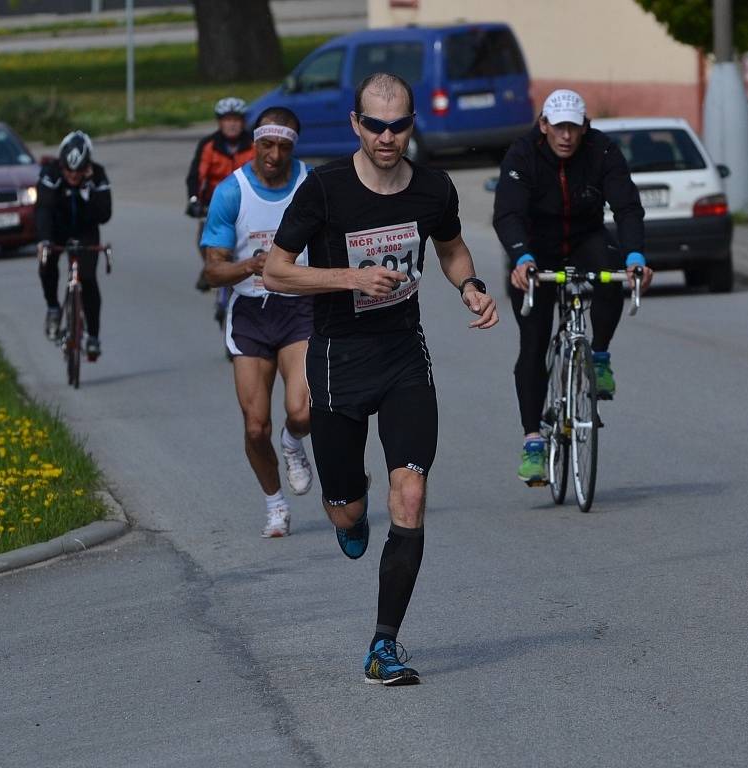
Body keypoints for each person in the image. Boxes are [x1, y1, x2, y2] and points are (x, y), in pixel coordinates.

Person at [264, 73, 498, 686]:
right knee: (348, 513)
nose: (386, 136)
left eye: (397, 125)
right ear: (354, 125)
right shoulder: (325, 188)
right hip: (339, 357)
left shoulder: (432, 188)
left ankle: (384, 644)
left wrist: (470, 286)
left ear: (411, 124)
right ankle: (346, 504)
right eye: (374, 125)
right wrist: (350, 279)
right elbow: (275, 271)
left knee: (412, 494)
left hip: (401, 355)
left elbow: (451, 249)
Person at [493, 88, 653, 485]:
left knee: (611, 269)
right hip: (536, 247)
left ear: (585, 127)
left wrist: (636, 256)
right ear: (544, 125)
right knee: (532, 343)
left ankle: (598, 356)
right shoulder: (523, 153)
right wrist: (521, 258)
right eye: (558, 127)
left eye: (574, 128)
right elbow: (508, 212)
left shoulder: (602, 151)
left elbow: (627, 206)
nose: (566, 136)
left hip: (585, 237)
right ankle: (533, 441)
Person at [200, 106, 314, 538]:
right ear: (255, 143)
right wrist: (251, 265)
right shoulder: (232, 192)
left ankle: (293, 442)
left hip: (301, 306)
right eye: (267, 144)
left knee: (302, 411)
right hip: (250, 313)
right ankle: (275, 505)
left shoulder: (310, 183)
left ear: (293, 147)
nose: (274, 154)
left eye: (284, 146)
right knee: (254, 425)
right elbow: (213, 270)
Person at [36, 130, 112, 359]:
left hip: (85, 230)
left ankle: (94, 336)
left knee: (88, 279)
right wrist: (44, 240)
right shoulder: (51, 172)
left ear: (87, 166)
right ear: (61, 164)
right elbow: (43, 210)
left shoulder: (97, 175)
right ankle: (52, 307)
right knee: (46, 262)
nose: (73, 176)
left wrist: (88, 189)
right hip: (57, 229)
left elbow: (105, 214)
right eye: (69, 171)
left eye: (78, 171)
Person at [186, 97, 255, 295]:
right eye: (227, 119)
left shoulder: (253, 144)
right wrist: (194, 200)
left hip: (246, 202)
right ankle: (210, 267)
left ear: (243, 122)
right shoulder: (208, 145)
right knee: (205, 237)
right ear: (219, 122)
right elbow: (196, 176)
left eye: (236, 119)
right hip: (214, 204)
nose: (232, 124)